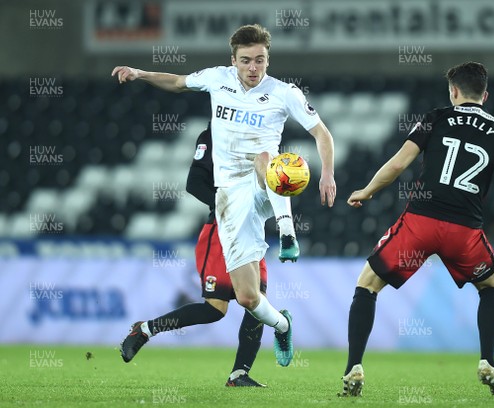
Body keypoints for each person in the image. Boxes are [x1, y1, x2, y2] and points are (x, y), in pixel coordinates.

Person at [112, 24, 336, 367]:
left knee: (268, 159)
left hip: (263, 185)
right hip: (230, 198)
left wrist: (328, 175)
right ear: (233, 60)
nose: (253, 68)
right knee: (247, 298)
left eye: (260, 60)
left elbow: (322, 133)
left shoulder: (283, 92)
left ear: (267, 59)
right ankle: (283, 325)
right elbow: (176, 82)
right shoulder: (218, 78)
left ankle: (288, 233)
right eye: (246, 60)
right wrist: (140, 73)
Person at [339, 62, 494, 398]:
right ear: (485, 95)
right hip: (465, 231)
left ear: (453, 91)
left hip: (421, 223)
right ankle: (488, 360)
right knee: (491, 287)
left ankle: (354, 365)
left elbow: (399, 163)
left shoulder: (436, 117)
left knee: (367, 284)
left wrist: (367, 191)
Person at [120, 124, 269, 387]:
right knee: (215, 309)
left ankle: (239, 374)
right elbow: (194, 183)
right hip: (222, 231)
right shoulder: (213, 135)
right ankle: (145, 330)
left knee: (258, 307)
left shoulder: (261, 132)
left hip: (253, 233)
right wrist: (224, 204)